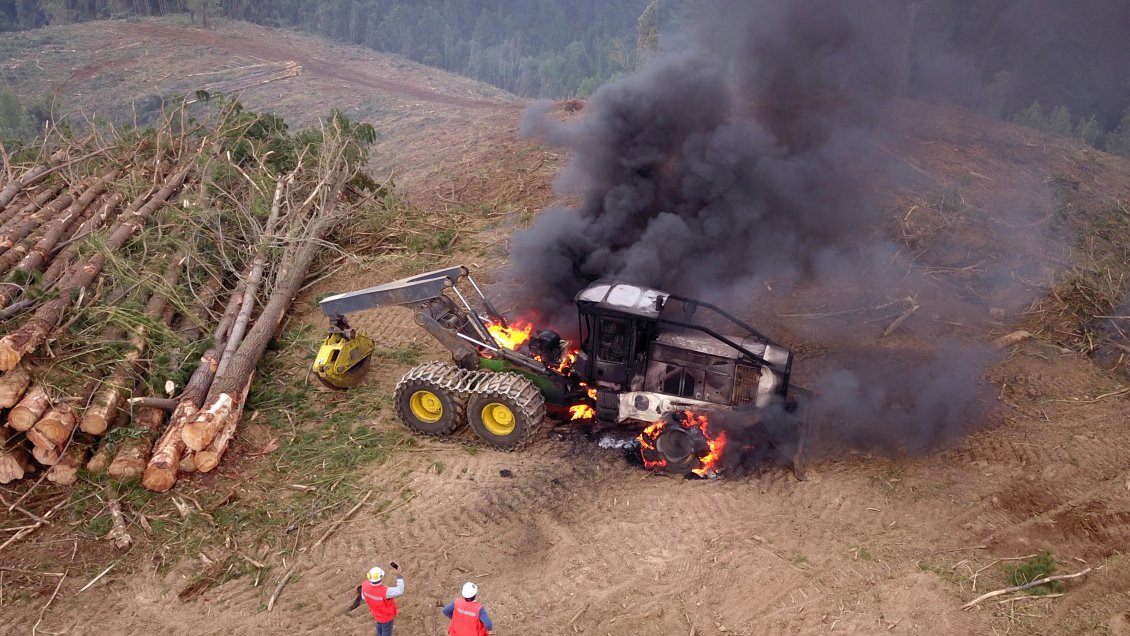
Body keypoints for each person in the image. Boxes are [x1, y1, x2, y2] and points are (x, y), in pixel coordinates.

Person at [348, 563, 404, 636]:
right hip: (386, 617)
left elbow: (364, 597)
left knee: (379, 628)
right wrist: (399, 575)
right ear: (381, 577)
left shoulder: (364, 585)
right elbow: (400, 590)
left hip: (376, 614)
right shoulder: (386, 591)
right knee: (386, 631)